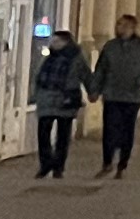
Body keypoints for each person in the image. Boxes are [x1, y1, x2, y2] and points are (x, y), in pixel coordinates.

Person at [92, 12, 140, 178]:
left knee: (127, 130)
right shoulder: (110, 46)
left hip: (132, 96)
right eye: (118, 24)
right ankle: (107, 162)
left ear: (131, 28)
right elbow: (101, 70)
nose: (118, 28)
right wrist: (95, 89)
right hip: (112, 94)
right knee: (109, 129)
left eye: (122, 25)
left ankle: (122, 164)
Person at [31, 26, 94, 179]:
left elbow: (86, 75)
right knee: (43, 132)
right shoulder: (49, 56)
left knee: (63, 135)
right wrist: (36, 94)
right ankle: (46, 164)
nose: (52, 43)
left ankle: (58, 166)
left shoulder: (76, 57)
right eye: (53, 40)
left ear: (65, 42)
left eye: (56, 40)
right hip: (46, 98)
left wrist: (93, 92)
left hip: (65, 99)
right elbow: (39, 75)